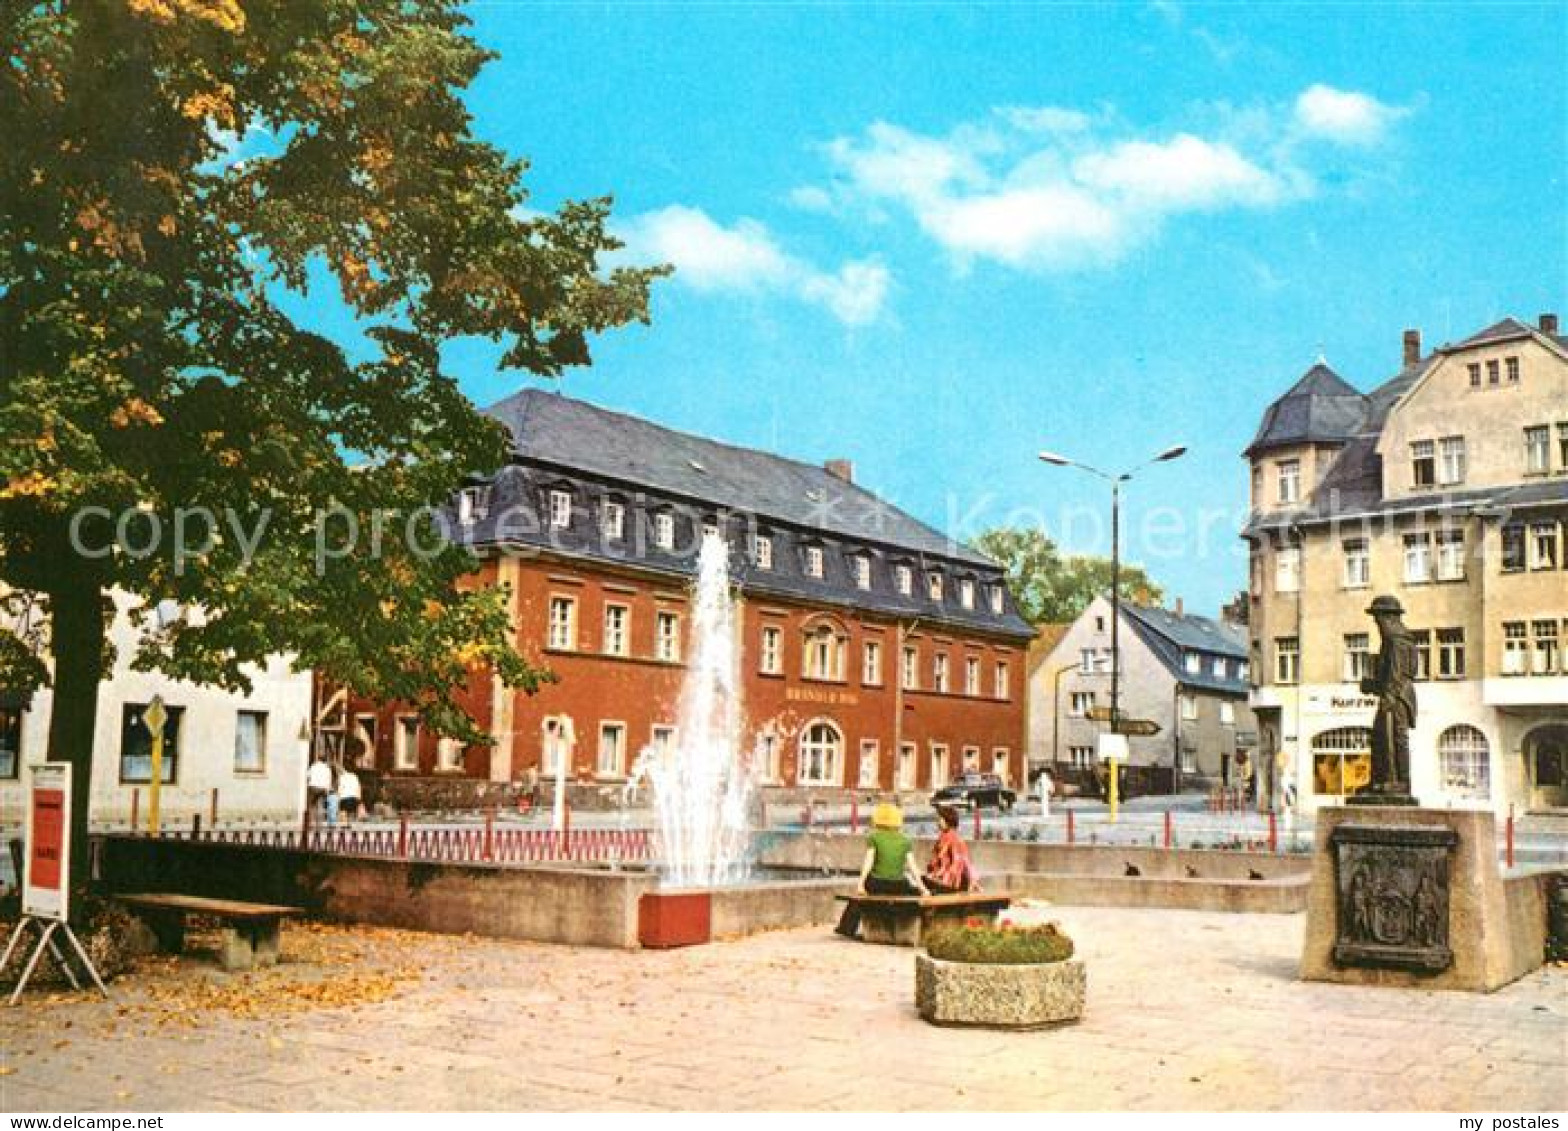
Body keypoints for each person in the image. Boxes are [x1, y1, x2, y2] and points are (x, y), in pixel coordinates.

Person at [834, 802, 927, 938]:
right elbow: (913, 867)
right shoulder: (905, 840)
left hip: (877, 883)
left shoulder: (874, 837)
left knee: (857, 899)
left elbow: (868, 862)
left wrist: (861, 883)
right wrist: (923, 888)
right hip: (898, 885)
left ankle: (846, 928)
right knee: (911, 889)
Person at [924, 805, 979, 894]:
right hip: (943, 881)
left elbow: (964, 863)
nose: (937, 822)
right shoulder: (947, 838)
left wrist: (972, 883)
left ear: (947, 819)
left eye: (939, 819)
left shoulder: (952, 839)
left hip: (947, 883)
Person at [306, 754, 332, 824]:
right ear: (325, 761)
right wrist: (327, 790)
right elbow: (328, 780)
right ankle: (320, 821)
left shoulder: (313, 766)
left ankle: (311, 821)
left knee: (311, 804)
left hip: (313, 787)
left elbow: (307, 776)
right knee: (320, 805)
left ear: (318, 759)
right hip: (322, 788)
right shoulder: (327, 768)